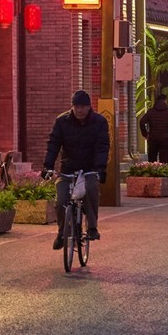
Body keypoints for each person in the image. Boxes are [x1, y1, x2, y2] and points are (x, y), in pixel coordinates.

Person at [42, 90, 110, 249]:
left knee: (92, 190)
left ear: (89, 107)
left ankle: (92, 227)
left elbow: (102, 146)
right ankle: (62, 233)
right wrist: (48, 166)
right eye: (76, 106)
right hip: (67, 168)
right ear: (72, 107)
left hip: (89, 169)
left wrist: (100, 168)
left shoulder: (99, 122)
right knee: (61, 201)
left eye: (83, 107)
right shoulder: (62, 121)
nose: (79, 110)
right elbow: (53, 145)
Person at [138, 95, 168, 164]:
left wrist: (145, 134)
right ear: (165, 101)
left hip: (153, 138)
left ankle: (153, 173)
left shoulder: (150, 112)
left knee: (152, 160)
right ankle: (164, 173)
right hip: (165, 139)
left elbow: (142, 122)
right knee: (165, 160)